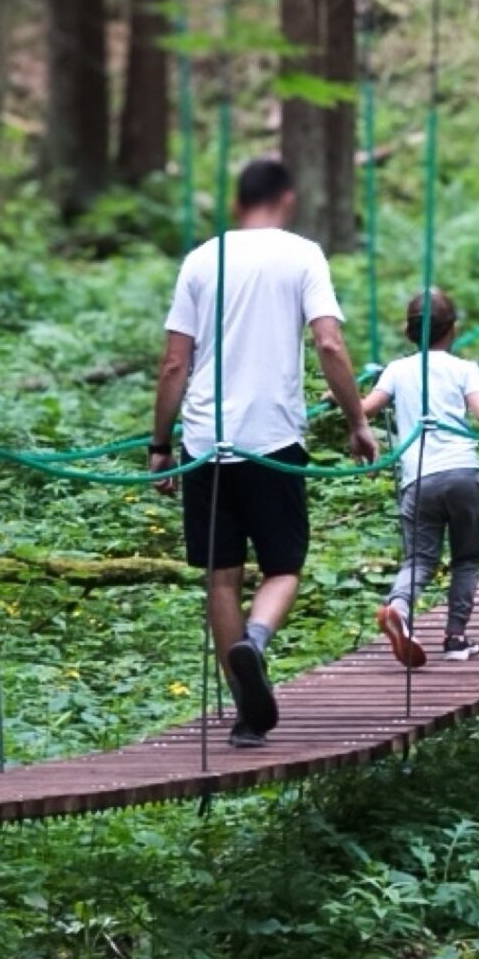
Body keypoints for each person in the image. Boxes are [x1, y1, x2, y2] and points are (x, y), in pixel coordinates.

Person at [150, 155, 376, 747]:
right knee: (283, 566)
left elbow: (176, 361)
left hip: (204, 444)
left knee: (220, 578)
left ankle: (247, 715)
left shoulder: (200, 260)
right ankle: (255, 641)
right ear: (288, 198)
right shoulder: (302, 255)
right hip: (274, 440)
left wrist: (159, 445)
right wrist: (357, 421)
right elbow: (328, 343)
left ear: (237, 202)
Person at [362, 285, 479, 668]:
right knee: (466, 559)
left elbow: (366, 410)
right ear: (453, 328)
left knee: (419, 560)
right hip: (462, 472)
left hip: (419, 479)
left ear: (409, 332)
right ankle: (456, 639)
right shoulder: (464, 369)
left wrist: (338, 398)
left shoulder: (396, 370)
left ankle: (399, 607)